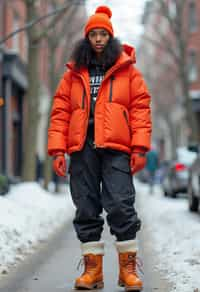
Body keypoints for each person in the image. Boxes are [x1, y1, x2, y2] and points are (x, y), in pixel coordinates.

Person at [48, 6, 152, 291]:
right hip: (82, 148)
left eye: (102, 34)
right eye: (92, 34)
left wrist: (139, 148)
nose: (97, 39)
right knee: (86, 205)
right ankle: (93, 272)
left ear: (110, 37)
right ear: (86, 38)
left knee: (120, 204)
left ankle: (127, 270)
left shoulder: (127, 70)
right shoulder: (73, 74)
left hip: (117, 147)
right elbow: (60, 113)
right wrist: (58, 151)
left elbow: (141, 108)